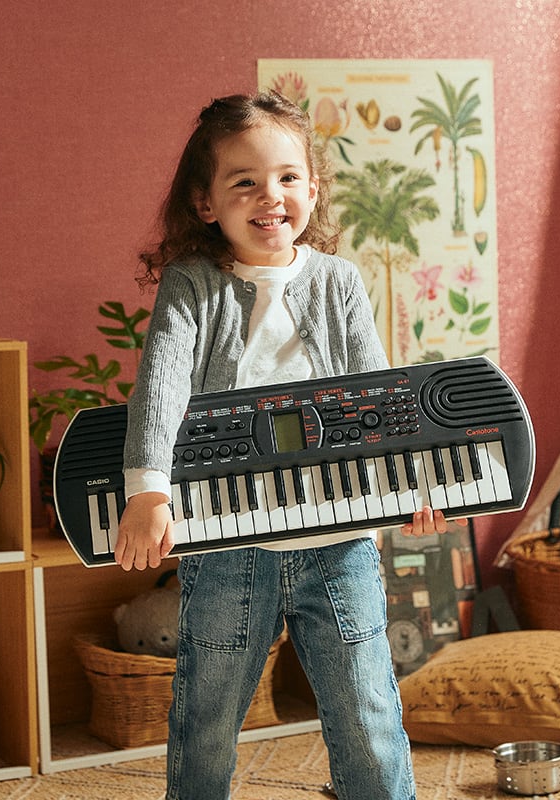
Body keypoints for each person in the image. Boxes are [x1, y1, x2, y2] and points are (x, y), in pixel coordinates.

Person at [116, 90, 448, 800]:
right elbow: (161, 387)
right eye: (246, 182)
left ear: (314, 188)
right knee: (207, 713)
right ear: (206, 202)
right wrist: (147, 489)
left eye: (289, 178)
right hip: (228, 545)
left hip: (340, 540)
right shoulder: (192, 285)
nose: (272, 196)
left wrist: (413, 484)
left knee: (367, 708)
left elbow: (379, 399)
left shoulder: (339, 283)